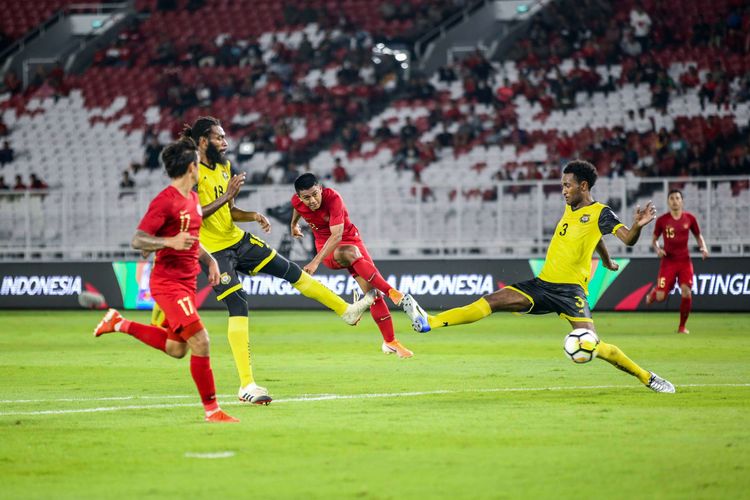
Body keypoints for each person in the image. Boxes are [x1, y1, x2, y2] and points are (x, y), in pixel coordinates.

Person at [151, 116, 376, 405]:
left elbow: (229, 211)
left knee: (291, 271)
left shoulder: (223, 166)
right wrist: (228, 195)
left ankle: (346, 311)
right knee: (238, 303)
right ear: (204, 141)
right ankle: (247, 385)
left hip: (236, 239)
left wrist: (252, 215)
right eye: (220, 137)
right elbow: (192, 213)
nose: (226, 142)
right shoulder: (191, 172)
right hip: (213, 251)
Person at [401, 160, 676, 393]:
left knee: (594, 344)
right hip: (543, 285)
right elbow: (595, 238)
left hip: (571, 293)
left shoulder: (601, 212)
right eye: (562, 185)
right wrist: (605, 260)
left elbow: (626, 238)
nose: (563, 190)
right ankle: (429, 322)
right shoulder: (572, 208)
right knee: (493, 300)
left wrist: (638, 226)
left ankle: (647, 377)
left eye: (567, 185)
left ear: (583, 186)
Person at [93, 137, 239, 422]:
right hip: (168, 283)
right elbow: (138, 240)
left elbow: (194, 240)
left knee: (176, 349)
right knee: (202, 341)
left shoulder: (194, 199)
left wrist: (209, 261)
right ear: (191, 168)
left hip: (187, 281)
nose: (200, 167)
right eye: (197, 163)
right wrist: (170, 242)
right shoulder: (165, 201)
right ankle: (213, 411)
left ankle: (118, 322)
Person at [291, 173, 418, 358]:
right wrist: (293, 225)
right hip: (327, 250)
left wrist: (313, 262)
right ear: (300, 197)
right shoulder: (297, 202)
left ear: (320, 189)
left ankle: (390, 342)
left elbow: (337, 235)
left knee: (373, 293)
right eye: (306, 197)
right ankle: (394, 293)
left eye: (315, 194)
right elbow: (297, 208)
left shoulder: (333, 198)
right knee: (351, 254)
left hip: (349, 239)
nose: (312, 200)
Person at [645, 189, 708, 333]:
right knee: (661, 297)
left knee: (686, 292)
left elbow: (699, 236)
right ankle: (654, 293)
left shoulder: (690, 219)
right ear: (668, 201)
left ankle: (682, 327)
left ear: (682, 201)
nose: (675, 200)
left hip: (685, 261)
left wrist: (703, 248)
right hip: (668, 262)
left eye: (677, 198)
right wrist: (658, 250)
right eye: (672, 198)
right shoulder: (662, 220)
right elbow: (654, 240)